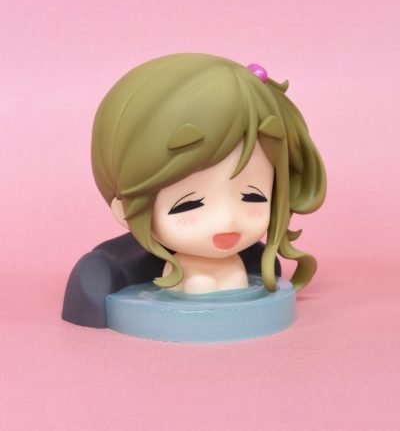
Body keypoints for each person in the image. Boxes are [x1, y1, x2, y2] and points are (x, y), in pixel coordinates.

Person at [62, 53, 326, 327]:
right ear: (123, 208)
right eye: (189, 204)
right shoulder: (99, 276)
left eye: (253, 196)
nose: (227, 219)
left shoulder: (256, 262)